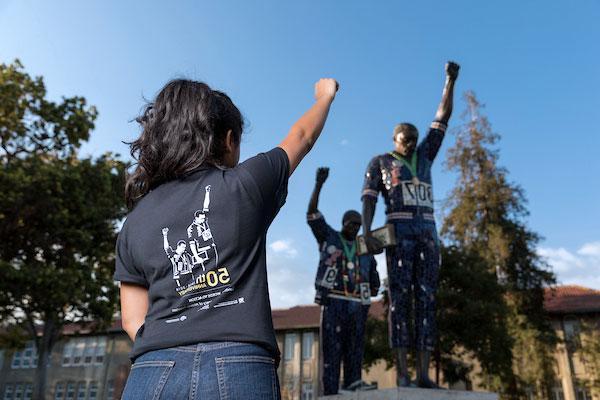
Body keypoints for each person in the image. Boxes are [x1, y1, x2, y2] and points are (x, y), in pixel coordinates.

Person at [114, 78, 338, 399]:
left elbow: (132, 318)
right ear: (229, 140)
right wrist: (325, 97)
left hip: (153, 367)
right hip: (240, 361)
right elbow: (302, 136)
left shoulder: (134, 222)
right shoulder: (246, 183)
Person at [361, 62, 459, 388]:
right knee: (400, 299)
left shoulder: (426, 155)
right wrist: (366, 234)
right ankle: (402, 373)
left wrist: (449, 80)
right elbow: (369, 200)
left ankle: (424, 374)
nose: (411, 143)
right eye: (405, 139)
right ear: (394, 139)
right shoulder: (380, 162)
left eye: (414, 139)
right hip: (398, 232)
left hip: (428, 232)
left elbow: (442, 117)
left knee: (427, 298)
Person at [307, 167, 380, 395]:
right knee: (332, 346)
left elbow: (373, 270)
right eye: (351, 224)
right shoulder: (329, 236)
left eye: (358, 226)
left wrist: (375, 286)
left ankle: (353, 380)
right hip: (334, 301)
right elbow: (312, 213)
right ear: (343, 223)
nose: (355, 228)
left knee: (355, 345)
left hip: (358, 303)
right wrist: (319, 185)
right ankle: (330, 388)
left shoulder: (363, 246)